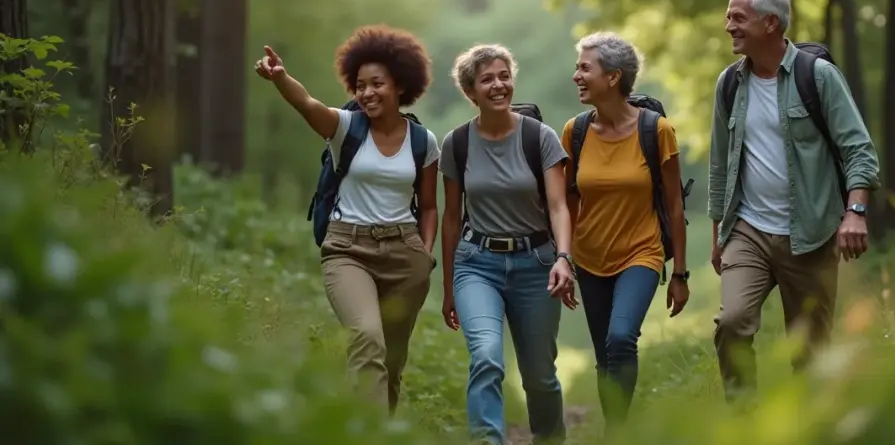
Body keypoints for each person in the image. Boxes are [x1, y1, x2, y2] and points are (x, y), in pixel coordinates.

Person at [253, 24, 440, 416]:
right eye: (360, 85)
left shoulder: (424, 141)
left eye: (377, 84)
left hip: (404, 254)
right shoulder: (344, 127)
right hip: (347, 250)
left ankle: (378, 427)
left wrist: (424, 255)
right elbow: (306, 103)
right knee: (366, 337)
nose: (366, 93)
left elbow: (428, 207)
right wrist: (281, 78)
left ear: (401, 86)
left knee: (390, 360)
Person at [708, 0, 880, 401]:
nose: (728, 25)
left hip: (811, 231)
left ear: (770, 23)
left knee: (810, 352)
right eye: (729, 16)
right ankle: (744, 419)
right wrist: (718, 234)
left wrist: (854, 212)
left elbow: (858, 149)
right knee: (732, 322)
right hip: (747, 229)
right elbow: (718, 165)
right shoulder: (729, 84)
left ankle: (810, 428)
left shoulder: (817, 76)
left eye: (737, 17)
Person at [438, 44, 576, 445]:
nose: (498, 85)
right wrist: (449, 287)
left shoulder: (540, 137)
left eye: (504, 76)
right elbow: (451, 218)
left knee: (539, 376)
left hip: (536, 264)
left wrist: (564, 258)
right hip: (476, 264)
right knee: (485, 357)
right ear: (471, 91)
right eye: (487, 79)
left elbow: (558, 207)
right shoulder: (457, 143)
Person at [561, 32, 690, 431]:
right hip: (589, 258)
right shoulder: (575, 132)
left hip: (641, 253)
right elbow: (567, 203)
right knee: (604, 355)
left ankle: (618, 432)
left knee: (620, 339)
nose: (576, 76)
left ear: (613, 77)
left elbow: (674, 204)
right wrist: (563, 258)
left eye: (585, 68)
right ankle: (615, 430)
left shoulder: (657, 130)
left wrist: (681, 274)